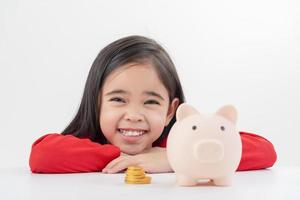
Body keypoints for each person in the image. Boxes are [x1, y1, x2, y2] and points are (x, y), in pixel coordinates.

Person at [29, 35, 277, 173]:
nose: (134, 115)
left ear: (170, 111)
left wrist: (176, 158)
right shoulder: (86, 144)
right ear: (96, 103)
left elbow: (266, 151)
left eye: (150, 102)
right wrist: (125, 159)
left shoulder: (179, 141)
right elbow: (42, 156)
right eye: (118, 99)